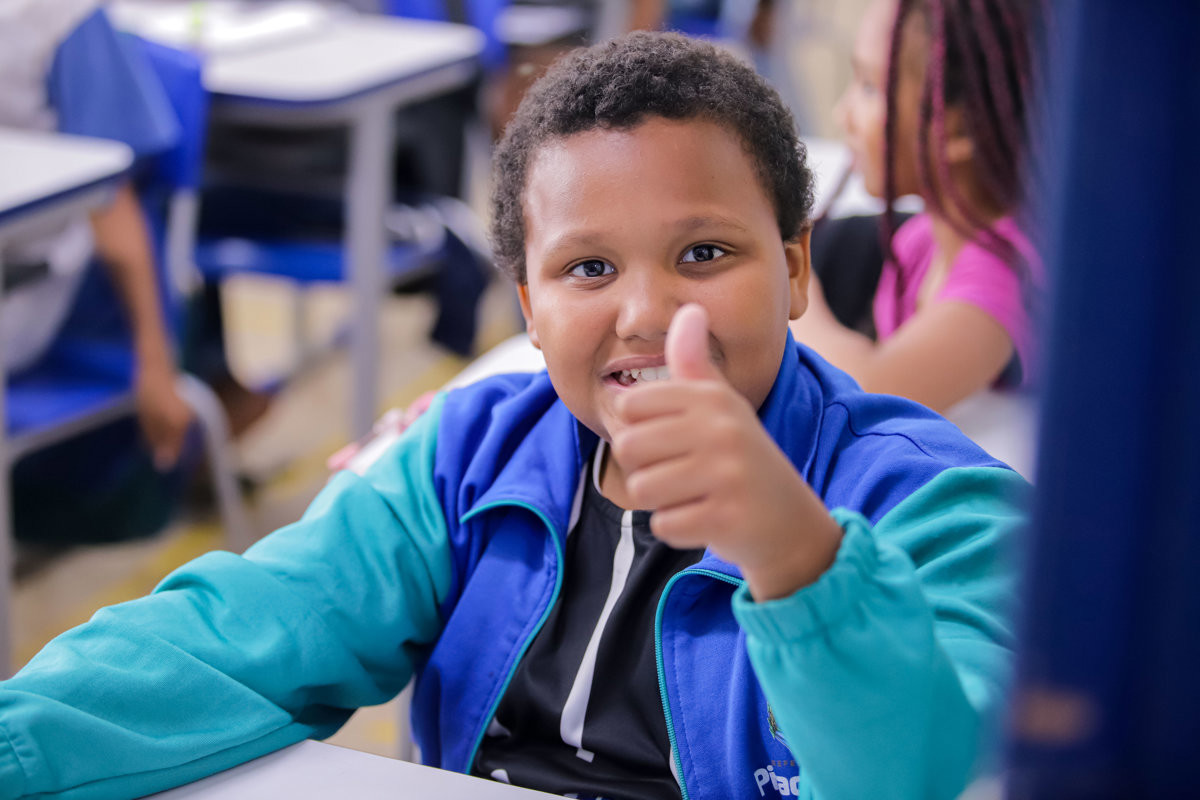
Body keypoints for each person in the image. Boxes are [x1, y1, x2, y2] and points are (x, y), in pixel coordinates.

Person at [0, 33, 1025, 800]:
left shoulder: (935, 500)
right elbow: (234, 635)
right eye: (587, 267)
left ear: (793, 268)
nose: (646, 312)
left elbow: (913, 770)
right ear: (530, 310)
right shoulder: (466, 454)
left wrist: (795, 551)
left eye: (704, 253)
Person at [789, 0, 1044, 413]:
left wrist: (789, 281)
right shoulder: (917, 242)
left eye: (870, 87)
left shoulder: (1005, 274)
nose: (843, 114)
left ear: (958, 126)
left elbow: (870, 391)